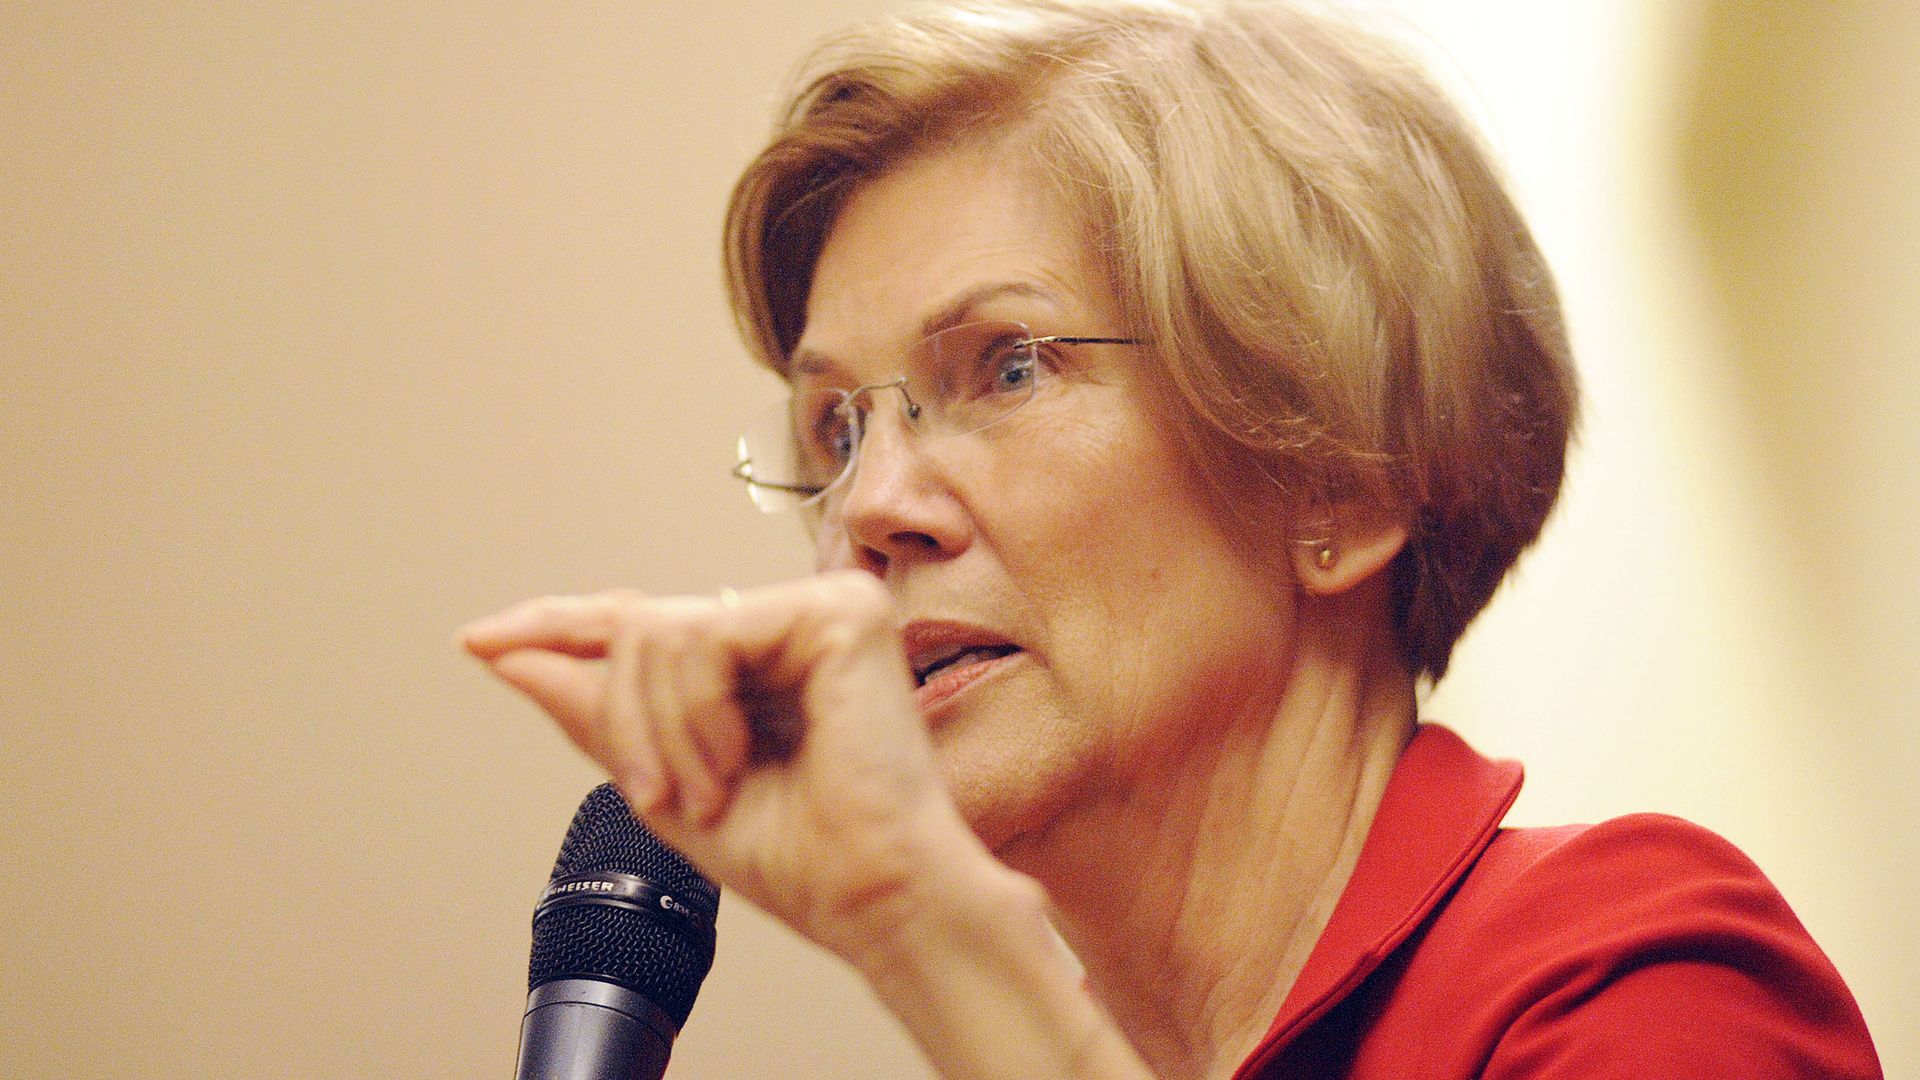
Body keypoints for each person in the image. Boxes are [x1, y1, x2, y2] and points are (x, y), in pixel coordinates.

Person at [459, 0, 1883, 1076]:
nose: (873, 507)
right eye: (836, 429)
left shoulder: (1627, 984)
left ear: (1342, 482)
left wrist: (925, 928)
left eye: (1008, 366)